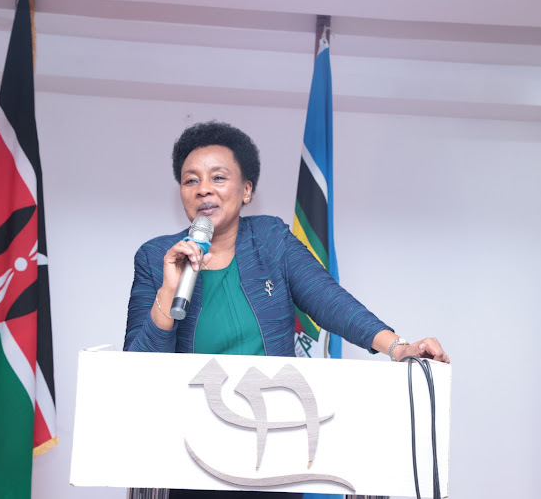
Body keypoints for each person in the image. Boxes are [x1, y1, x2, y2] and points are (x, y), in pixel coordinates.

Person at [124, 121, 449, 498]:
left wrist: (398, 348)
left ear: (246, 190)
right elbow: (136, 367)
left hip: (273, 443)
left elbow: (328, 300)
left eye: (218, 177)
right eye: (190, 180)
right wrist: (168, 289)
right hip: (190, 452)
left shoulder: (270, 238)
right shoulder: (155, 257)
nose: (204, 189)